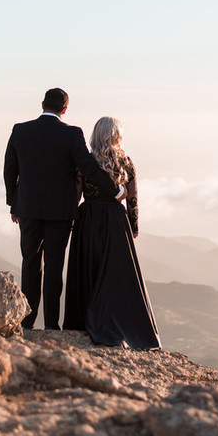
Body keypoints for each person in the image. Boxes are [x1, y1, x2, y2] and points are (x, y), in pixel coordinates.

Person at [3, 88, 124, 330]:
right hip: (60, 212)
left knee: (30, 263)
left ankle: (27, 322)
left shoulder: (20, 130)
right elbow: (88, 168)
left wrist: (13, 203)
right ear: (65, 110)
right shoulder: (71, 134)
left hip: (27, 208)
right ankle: (51, 325)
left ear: (42, 104)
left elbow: (9, 170)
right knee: (55, 266)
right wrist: (116, 191)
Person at [64, 116, 161, 350]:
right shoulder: (125, 161)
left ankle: (83, 322)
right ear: (117, 135)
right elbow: (133, 197)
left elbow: (75, 194)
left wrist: (69, 221)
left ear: (95, 135)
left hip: (88, 218)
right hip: (116, 221)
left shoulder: (85, 162)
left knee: (88, 268)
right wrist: (133, 226)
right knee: (115, 274)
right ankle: (120, 323)